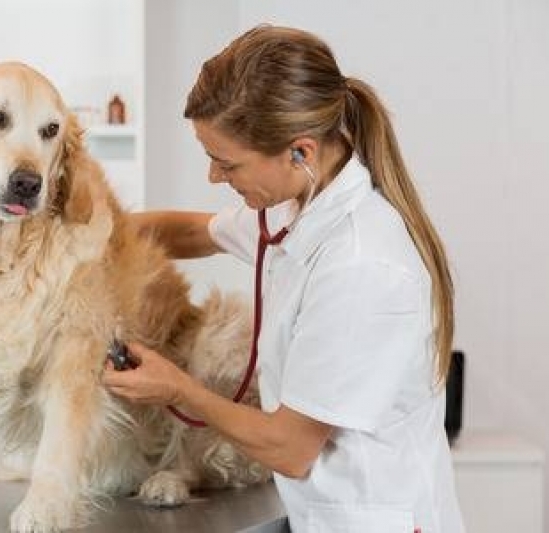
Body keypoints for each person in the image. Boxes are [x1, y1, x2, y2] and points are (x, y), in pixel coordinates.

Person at [102, 24, 465, 533]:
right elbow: (188, 231)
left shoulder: (360, 265)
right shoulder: (293, 208)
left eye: (226, 163)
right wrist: (91, 237)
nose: (213, 177)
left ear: (301, 152)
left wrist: (177, 388)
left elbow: (290, 447)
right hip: (315, 513)